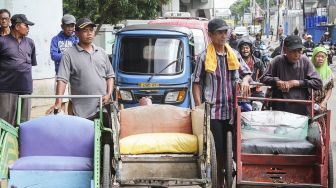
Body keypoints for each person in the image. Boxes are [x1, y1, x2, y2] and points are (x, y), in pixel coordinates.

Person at [192, 18, 251, 187]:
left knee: (232, 149)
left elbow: (246, 73)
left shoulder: (234, 54)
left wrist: (245, 81)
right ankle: (218, 181)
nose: (224, 35)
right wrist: (199, 107)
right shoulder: (203, 57)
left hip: (232, 108)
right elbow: (196, 83)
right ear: (210, 35)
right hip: (213, 111)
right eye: (220, 32)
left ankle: (228, 178)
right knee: (217, 150)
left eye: (226, 32)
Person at [46, 17, 114, 145]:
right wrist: (58, 102)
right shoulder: (69, 55)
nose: (89, 33)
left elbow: (110, 75)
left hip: (102, 106)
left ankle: (105, 164)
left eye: (91, 30)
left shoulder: (102, 52)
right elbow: (62, 79)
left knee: (106, 142)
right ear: (77, 33)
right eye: (85, 31)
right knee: (83, 143)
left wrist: (109, 93)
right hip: (81, 110)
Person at [260, 35, 322, 116]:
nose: (296, 55)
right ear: (285, 50)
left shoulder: (305, 61)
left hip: (301, 107)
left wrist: (296, 83)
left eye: (299, 51)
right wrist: (276, 81)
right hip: (280, 108)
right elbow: (263, 78)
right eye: (293, 51)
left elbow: (318, 83)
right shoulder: (277, 60)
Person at [0, 14, 36, 125]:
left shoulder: (30, 42)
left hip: (25, 89)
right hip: (6, 89)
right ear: (17, 26)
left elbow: (32, 63)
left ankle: (21, 143)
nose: (28, 28)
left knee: (23, 123)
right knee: (5, 122)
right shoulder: (2, 41)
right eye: (26, 25)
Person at [50, 14, 79, 113]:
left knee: (73, 100)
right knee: (60, 100)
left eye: (72, 26)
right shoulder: (55, 39)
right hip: (61, 74)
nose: (71, 28)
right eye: (68, 26)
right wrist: (68, 55)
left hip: (75, 74)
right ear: (62, 26)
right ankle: (61, 121)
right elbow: (54, 55)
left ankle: (71, 121)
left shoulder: (77, 39)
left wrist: (63, 55)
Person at [311, 46, 334, 112]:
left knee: (322, 121)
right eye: (318, 56)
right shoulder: (309, 69)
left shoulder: (328, 71)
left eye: (322, 57)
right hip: (309, 104)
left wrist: (324, 102)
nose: (320, 58)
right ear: (314, 57)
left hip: (322, 105)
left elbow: (329, 89)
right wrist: (313, 104)